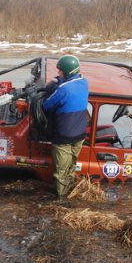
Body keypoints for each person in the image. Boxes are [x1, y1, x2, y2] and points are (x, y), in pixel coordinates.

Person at [41, 55, 89, 198]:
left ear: (67, 72)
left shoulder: (63, 89)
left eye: (60, 71)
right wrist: (59, 80)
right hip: (80, 135)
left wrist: (53, 86)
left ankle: (62, 200)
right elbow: (69, 84)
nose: (59, 73)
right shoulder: (84, 81)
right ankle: (71, 190)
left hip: (63, 137)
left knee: (60, 172)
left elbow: (47, 106)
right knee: (71, 167)